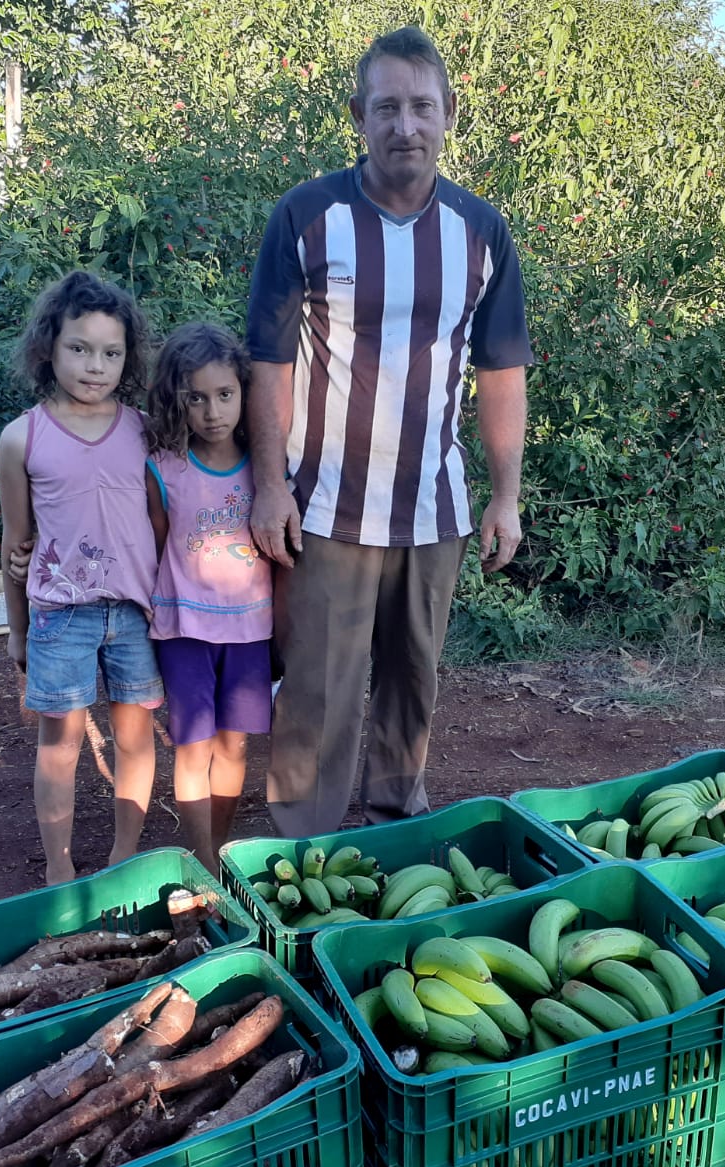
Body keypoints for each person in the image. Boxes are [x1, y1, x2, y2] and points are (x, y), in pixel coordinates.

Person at [246, 25, 531, 837]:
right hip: (325, 506)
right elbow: (268, 362)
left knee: (414, 684)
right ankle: (300, 850)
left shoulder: (481, 231)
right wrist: (269, 488)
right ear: (358, 116)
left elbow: (501, 372)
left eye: (421, 106)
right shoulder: (307, 215)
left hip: (434, 509)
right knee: (317, 691)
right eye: (387, 108)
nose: (406, 125)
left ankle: (397, 835)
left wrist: (504, 497)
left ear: (449, 113)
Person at [0, 271, 163, 885]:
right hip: (61, 617)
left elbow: (162, 520)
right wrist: (17, 630)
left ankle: (124, 858)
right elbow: (15, 542)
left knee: (135, 739)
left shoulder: (145, 430)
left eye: (111, 353)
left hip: (135, 614)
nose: (96, 365)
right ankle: (58, 868)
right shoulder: (22, 438)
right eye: (80, 348)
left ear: (128, 357)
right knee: (61, 745)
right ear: (49, 347)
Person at [143, 322, 273, 870]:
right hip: (185, 631)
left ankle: (219, 854)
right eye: (196, 398)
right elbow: (154, 546)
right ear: (177, 400)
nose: (213, 412)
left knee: (234, 745)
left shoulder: (267, 468)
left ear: (244, 392)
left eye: (225, 395)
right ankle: (200, 864)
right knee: (194, 746)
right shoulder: (164, 469)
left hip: (250, 630)